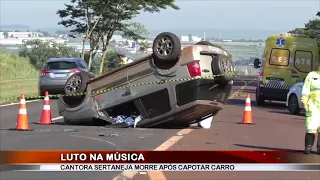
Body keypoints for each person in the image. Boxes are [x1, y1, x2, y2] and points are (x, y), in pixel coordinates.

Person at [301, 63, 320, 154]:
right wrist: (304, 102)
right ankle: (308, 147)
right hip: (313, 105)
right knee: (311, 127)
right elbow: (306, 89)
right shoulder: (312, 75)